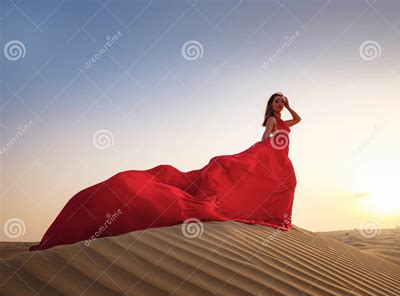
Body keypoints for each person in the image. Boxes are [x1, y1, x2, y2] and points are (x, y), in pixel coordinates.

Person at [31, 93, 301, 251]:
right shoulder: (272, 120)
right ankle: (257, 211)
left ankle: (269, 212)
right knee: (251, 179)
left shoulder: (285, 116)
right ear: (270, 106)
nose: (279, 104)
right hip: (269, 155)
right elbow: (267, 137)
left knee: (286, 183)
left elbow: (298, 120)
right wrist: (259, 153)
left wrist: (289, 106)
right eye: (276, 101)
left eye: (282, 101)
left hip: (281, 159)